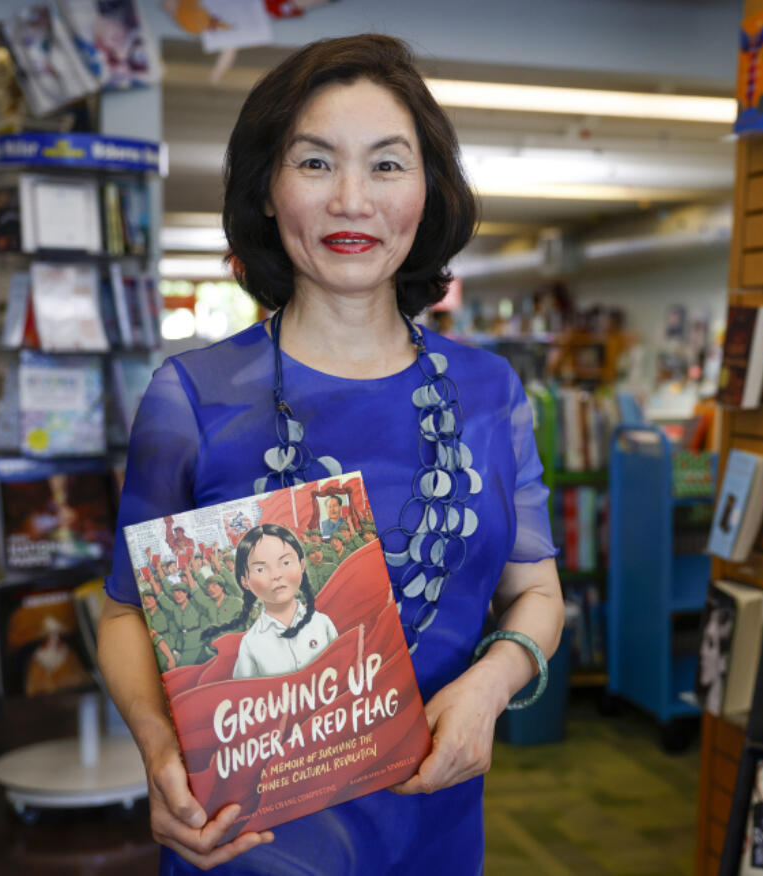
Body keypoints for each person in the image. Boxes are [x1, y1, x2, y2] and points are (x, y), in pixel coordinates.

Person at [96, 34, 562, 875]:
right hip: (246, 841)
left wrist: (493, 686)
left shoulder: (491, 393)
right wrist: (161, 752)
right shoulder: (194, 396)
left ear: (429, 191)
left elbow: (535, 590)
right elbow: (127, 612)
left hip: (437, 827)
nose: (353, 200)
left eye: (388, 166)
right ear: (268, 191)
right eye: (315, 164)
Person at [229, 524, 338, 679]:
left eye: (285, 562)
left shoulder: (322, 624)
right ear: (245, 581)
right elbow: (243, 693)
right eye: (260, 569)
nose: (276, 575)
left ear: (301, 565)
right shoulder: (251, 643)